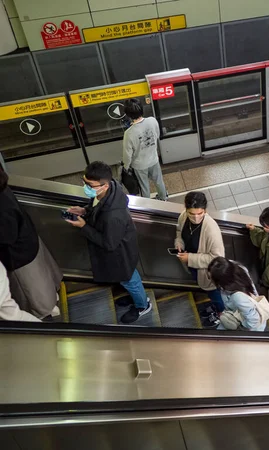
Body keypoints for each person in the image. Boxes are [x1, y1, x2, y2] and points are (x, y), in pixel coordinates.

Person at [65, 161, 152, 324]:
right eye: (84, 181)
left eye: (89, 185)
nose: (85, 186)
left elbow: (109, 244)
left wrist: (84, 227)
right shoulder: (107, 192)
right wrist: (85, 210)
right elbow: (97, 207)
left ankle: (143, 305)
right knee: (128, 279)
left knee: (130, 279)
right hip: (121, 250)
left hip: (121, 255)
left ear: (104, 186)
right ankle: (136, 298)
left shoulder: (114, 216)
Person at [0, 166, 61, 318]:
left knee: (32, 293)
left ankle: (45, 312)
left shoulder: (2, 209)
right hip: (29, 241)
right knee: (43, 280)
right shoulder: (3, 191)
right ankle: (52, 302)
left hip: (19, 256)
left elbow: (7, 236)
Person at [174, 191, 225, 326]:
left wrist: (190, 258)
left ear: (205, 210)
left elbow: (217, 258)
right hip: (194, 266)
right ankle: (216, 307)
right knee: (206, 289)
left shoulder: (211, 230)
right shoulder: (183, 217)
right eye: (192, 213)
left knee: (214, 292)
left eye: (200, 213)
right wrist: (179, 243)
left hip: (208, 272)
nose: (196, 217)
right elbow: (179, 232)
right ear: (186, 210)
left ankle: (221, 313)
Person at [122, 98, 168, 201]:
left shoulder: (129, 133)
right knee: (159, 181)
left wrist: (126, 166)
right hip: (153, 159)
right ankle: (163, 198)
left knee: (144, 186)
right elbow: (157, 136)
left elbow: (127, 154)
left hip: (139, 165)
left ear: (128, 114)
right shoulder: (152, 120)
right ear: (141, 109)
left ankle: (146, 204)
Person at [208, 257, 265, 332]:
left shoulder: (238, 297)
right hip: (242, 313)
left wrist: (238, 323)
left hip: (250, 330)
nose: (209, 279)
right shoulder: (237, 268)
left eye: (211, 277)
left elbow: (253, 321)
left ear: (222, 280)